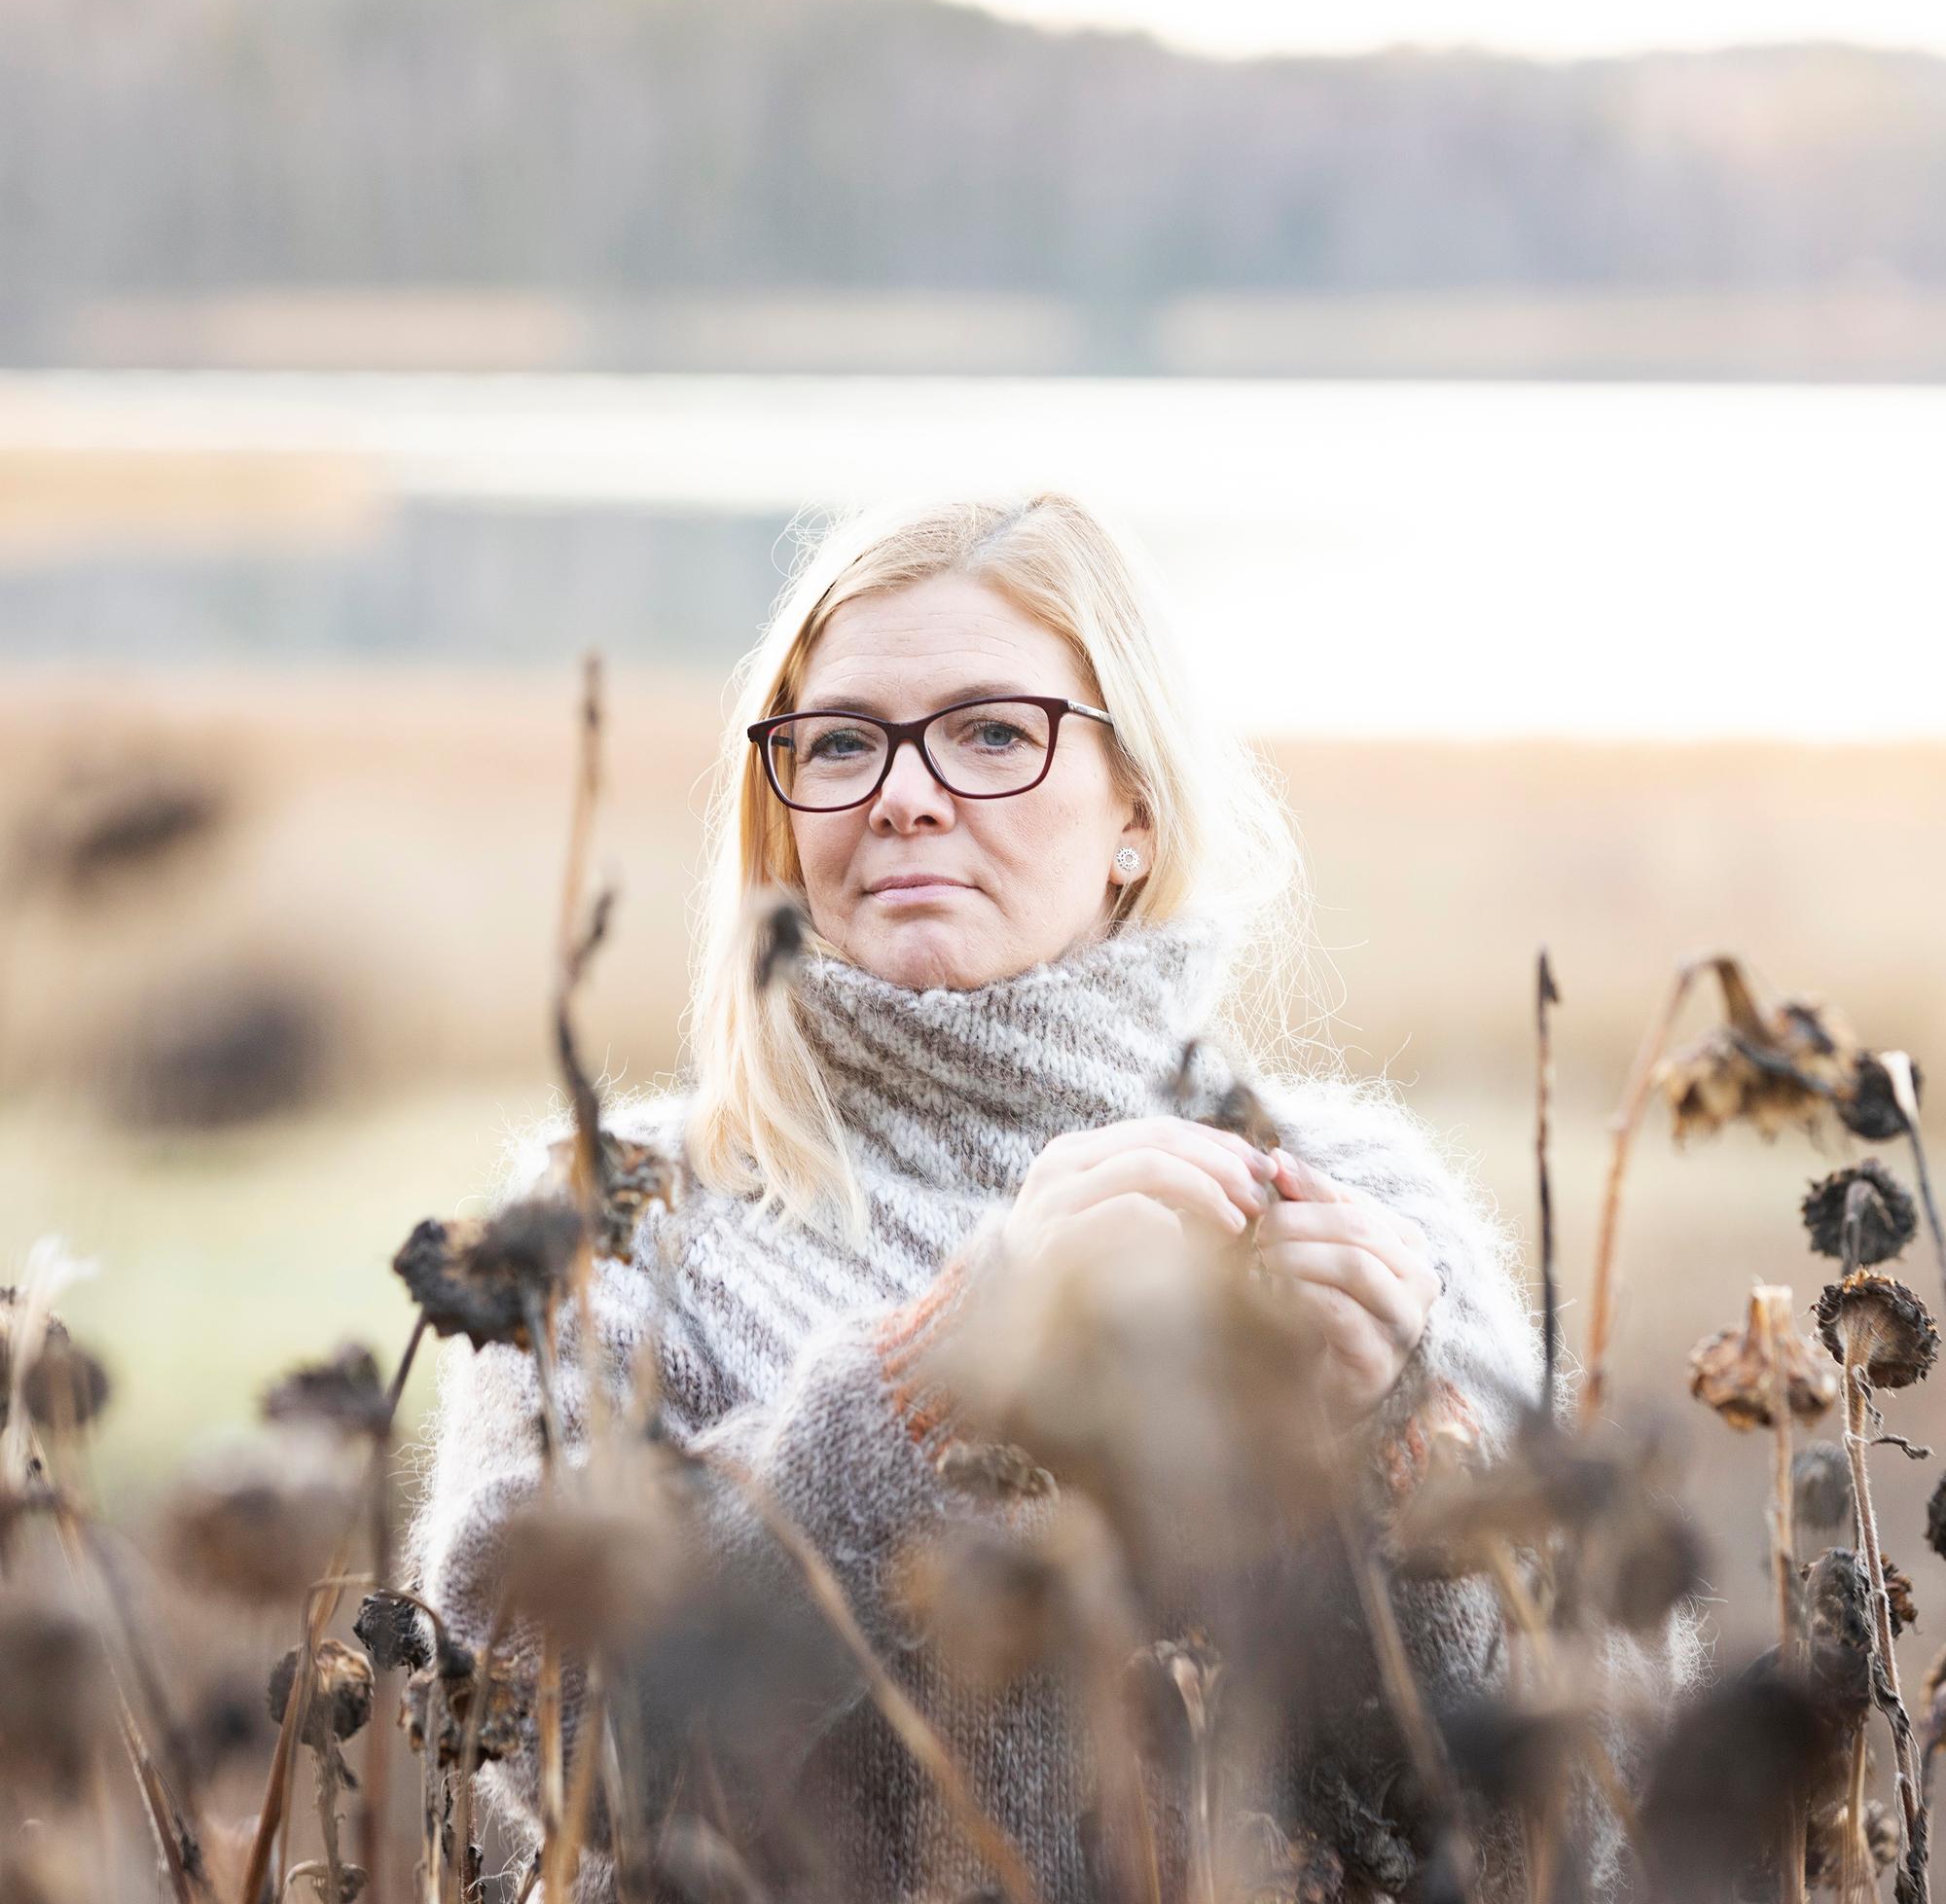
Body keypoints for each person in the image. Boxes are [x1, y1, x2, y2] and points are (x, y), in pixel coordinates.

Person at [406, 491, 1695, 1903]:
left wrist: (1413, 1452)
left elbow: (1595, 1810)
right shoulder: (622, 1211)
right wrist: (925, 1384)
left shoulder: (1349, 1201)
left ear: (1134, 811)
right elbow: (525, 1723)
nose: (903, 792)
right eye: (839, 742)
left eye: (993, 734)